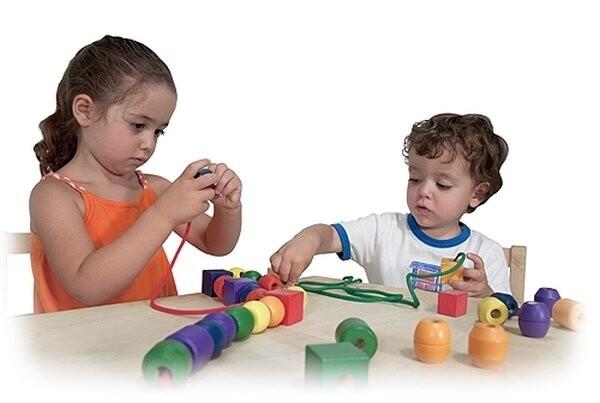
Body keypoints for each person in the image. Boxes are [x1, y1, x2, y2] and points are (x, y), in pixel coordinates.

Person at [30, 35, 242, 313]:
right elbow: (87, 287)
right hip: (80, 339)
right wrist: (163, 215)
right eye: (138, 125)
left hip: (153, 335)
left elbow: (214, 243)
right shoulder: (53, 196)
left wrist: (228, 209)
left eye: (158, 131)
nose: (149, 143)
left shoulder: (154, 188)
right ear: (85, 111)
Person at [270, 113, 511, 297]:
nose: (424, 191)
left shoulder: (485, 252)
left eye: (443, 184)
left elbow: (504, 312)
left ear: (477, 194)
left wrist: (484, 293)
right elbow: (331, 236)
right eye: (415, 179)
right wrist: (310, 239)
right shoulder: (385, 231)